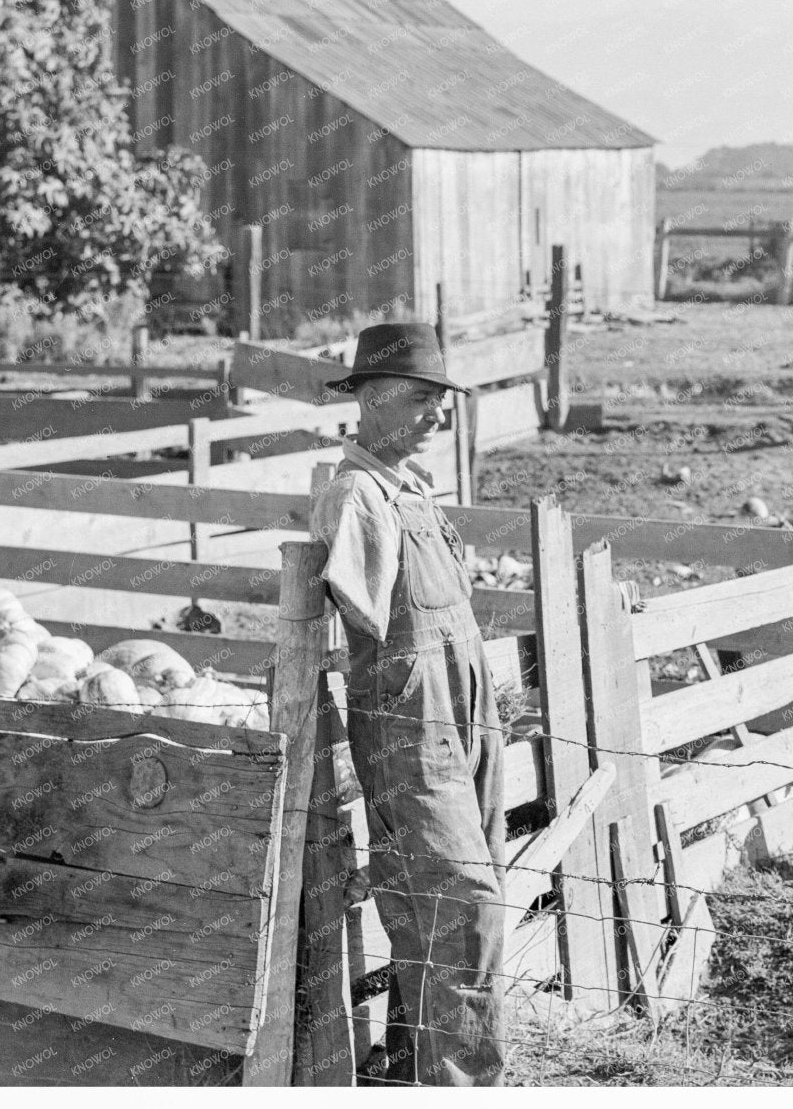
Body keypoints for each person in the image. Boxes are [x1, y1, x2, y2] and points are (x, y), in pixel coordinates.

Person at [309, 321, 507, 1087]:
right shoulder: (357, 494)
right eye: (423, 398)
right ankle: (459, 1086)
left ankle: (410, 1070)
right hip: (413, 727)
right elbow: (368, 629)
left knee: (442, 905)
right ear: (372, 397)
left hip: (466, 716)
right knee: (466, 906)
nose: (438, 414)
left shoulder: (413, 490)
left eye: (441, 399)